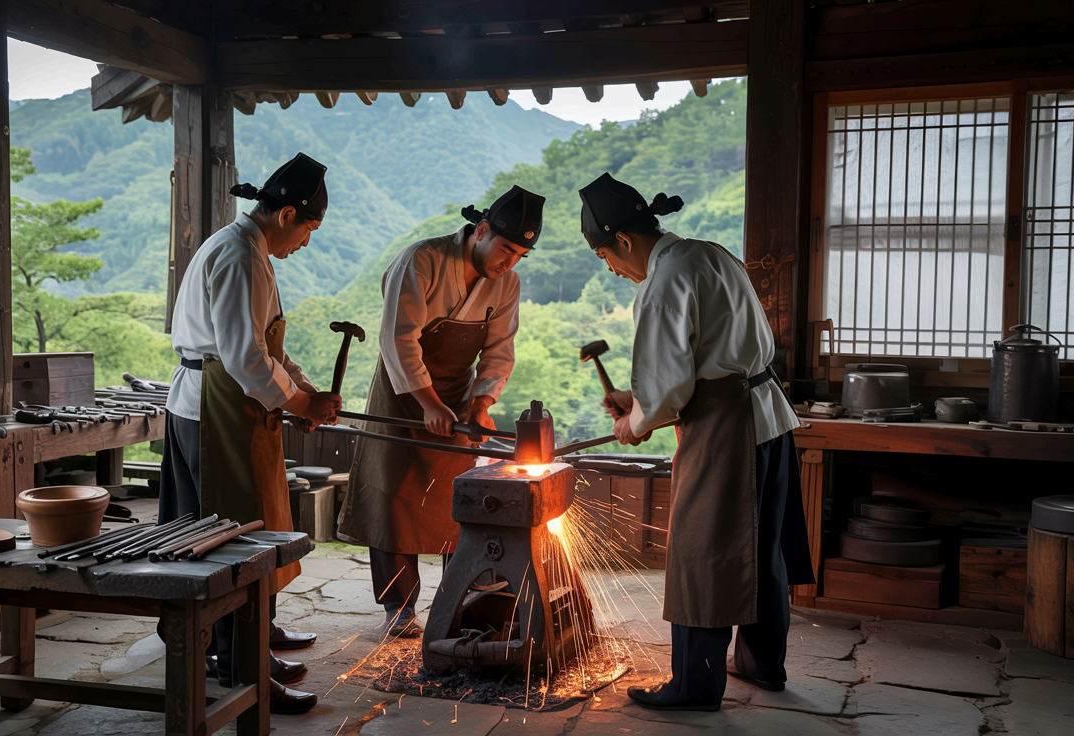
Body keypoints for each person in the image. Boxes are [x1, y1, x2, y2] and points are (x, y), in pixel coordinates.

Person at [577, 172, 814, 711]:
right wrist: (639, 406)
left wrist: (633, 423)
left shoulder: (662, 284)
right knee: (760, 544)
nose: (611, 269)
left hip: (725, 425)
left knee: (701, 549)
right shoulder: (709, 253)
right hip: (767, 415)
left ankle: (694, 685)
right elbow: (682, 373)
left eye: (605, 258)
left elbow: (667, 392)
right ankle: (761, 665)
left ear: (625, 242)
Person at [160, 152, 340, 714]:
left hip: (227, 406)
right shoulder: (240, 255)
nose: (308, 241)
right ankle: (244, 669)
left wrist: (304, 389)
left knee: (249, 530)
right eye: (310, 227)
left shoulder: (246, 248)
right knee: (233, 540)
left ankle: (251, 644)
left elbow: (265, 350)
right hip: (217, 409)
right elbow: (243, 359)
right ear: (286, 214)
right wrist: (303, 400)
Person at [337, 185, 544, 636]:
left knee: (459, 499)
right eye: (505, 249)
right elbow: (399, 338)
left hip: (456, 394)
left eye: (520, 256)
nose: (508, 263)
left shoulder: (506, 282)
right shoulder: (423, 261)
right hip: (402, 390)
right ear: (482, 230)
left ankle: (459, 601)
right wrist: (426, 402)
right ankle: (399, 605)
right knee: (392, 499)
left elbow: (498, 350)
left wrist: (481, 403)